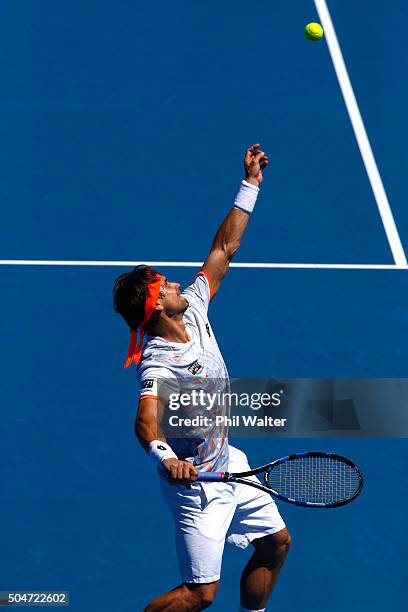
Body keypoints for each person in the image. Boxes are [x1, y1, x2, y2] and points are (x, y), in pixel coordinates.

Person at [113, 144, 291, 612]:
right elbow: (145, 424)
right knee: (199, 594)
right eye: (163, 285)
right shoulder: (158, 363)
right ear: (155, 307)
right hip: (197, 488)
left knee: (276, 544)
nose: (174, 282)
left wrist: (249, 184)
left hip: (229, 460)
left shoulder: (192, 305)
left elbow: (223, 248)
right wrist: (166, 457)